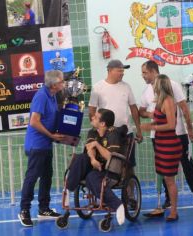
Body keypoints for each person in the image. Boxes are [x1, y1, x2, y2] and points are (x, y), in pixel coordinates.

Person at [139, 60, 193, 213]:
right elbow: (141, 110)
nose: (142, 76)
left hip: (178, 134)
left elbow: (184, 108)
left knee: (188, 166)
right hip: (157, 137)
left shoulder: (172, 85)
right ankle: (169, 199)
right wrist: (150, 114)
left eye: (144, 72)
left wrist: (190, 130)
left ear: (152, 71)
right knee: (163, 170)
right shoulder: (146, 91)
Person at [18, 70, 65, 227]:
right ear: (53, 84)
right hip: (36, 144)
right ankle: (24, 210)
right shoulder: (41, 96)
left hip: (46, 144)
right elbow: (34, 121)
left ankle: (44, 209)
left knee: (47, 176)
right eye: (62, 82)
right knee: (32, 178)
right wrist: (51, 135)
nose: (63, 84)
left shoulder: (52, 96)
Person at [66, 108, 127, 225]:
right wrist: (93, 160)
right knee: (80, 158)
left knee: (91, 178)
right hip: (94, 165)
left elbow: (110, 156)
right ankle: (68, 188)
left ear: (103, 123)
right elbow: (90, 148)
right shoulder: (92, 132)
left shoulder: (113, 133)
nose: (92, 117)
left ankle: (118, 205)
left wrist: (97, 144)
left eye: (96, 117)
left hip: (109, 169)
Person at [88, 59, 142, 177]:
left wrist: (139, 129)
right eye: (119, 71)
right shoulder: (98, 87)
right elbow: (92, 110)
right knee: (106, 164)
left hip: (126, 133)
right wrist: (97, 130)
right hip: (106, 135)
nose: (122, 73)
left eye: (123, 71)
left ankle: (130, 195)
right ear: (110, 71)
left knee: (128, 166)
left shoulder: (126, 87)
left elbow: (133, 108)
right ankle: (105, 192)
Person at [141, 74, 183, 221]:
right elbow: (159, 120)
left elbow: (171, 125)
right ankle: (168, 208)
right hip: (161, 145)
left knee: (170, 180)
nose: (152, 86)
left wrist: (152, 127)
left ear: (160, 85)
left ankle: (174, 212)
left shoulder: (169, 101)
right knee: (166, 178)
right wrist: (150, 125)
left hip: (169, 145)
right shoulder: (160, 101)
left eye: (155, 84)